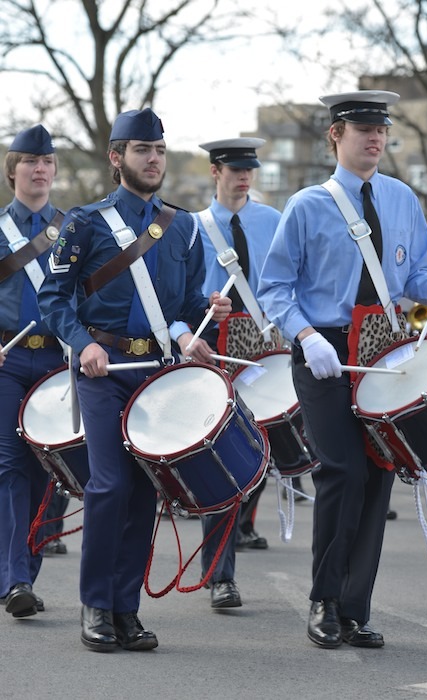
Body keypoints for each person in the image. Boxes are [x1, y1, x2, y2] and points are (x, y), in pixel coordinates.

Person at [257, 89, 427, 649]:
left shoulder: (402, 198)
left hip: (383, 350)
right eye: (362, 128)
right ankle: (323, 599)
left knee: (377, 474)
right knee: (340, 469)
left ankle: (354, 607)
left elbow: (415, 277)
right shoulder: (305, 206)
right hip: (322, 350)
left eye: (381, 129)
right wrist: (304, 335)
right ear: (336, 136)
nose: (375, 137)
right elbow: (274, 286)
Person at [37, 108, 231, 652]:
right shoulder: (84, 223)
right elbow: (54, 299)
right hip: (104, 370)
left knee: (146, 491)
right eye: (142, 150)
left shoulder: (183, 225)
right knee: (110, 484)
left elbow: (186, 302)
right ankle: (96, 604)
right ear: (116, 157)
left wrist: (206, 314)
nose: (153, 159)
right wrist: (83, 344)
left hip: (157, 373)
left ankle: (126, 610)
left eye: (160, 151)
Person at [170, 137, 282, 608]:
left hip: (265, 347)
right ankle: (220, 575)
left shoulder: (274, 222)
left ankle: (237, 539)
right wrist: (183, 335)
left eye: (249, 169)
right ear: (215, 171)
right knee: (222, 461)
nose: (243, 176)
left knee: (261, 457)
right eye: (234, 169)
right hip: (212, 350)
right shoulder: (191, 229)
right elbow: (174, 297)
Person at [0, 125, 65, 618]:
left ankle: (25, 569)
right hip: (8, 361)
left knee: (48, 473)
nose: (39, 169)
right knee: (9, 469)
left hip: (58, 364)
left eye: (46, 162)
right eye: (29, 162)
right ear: (12, 172)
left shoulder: (75, 230)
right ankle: (15, 579)